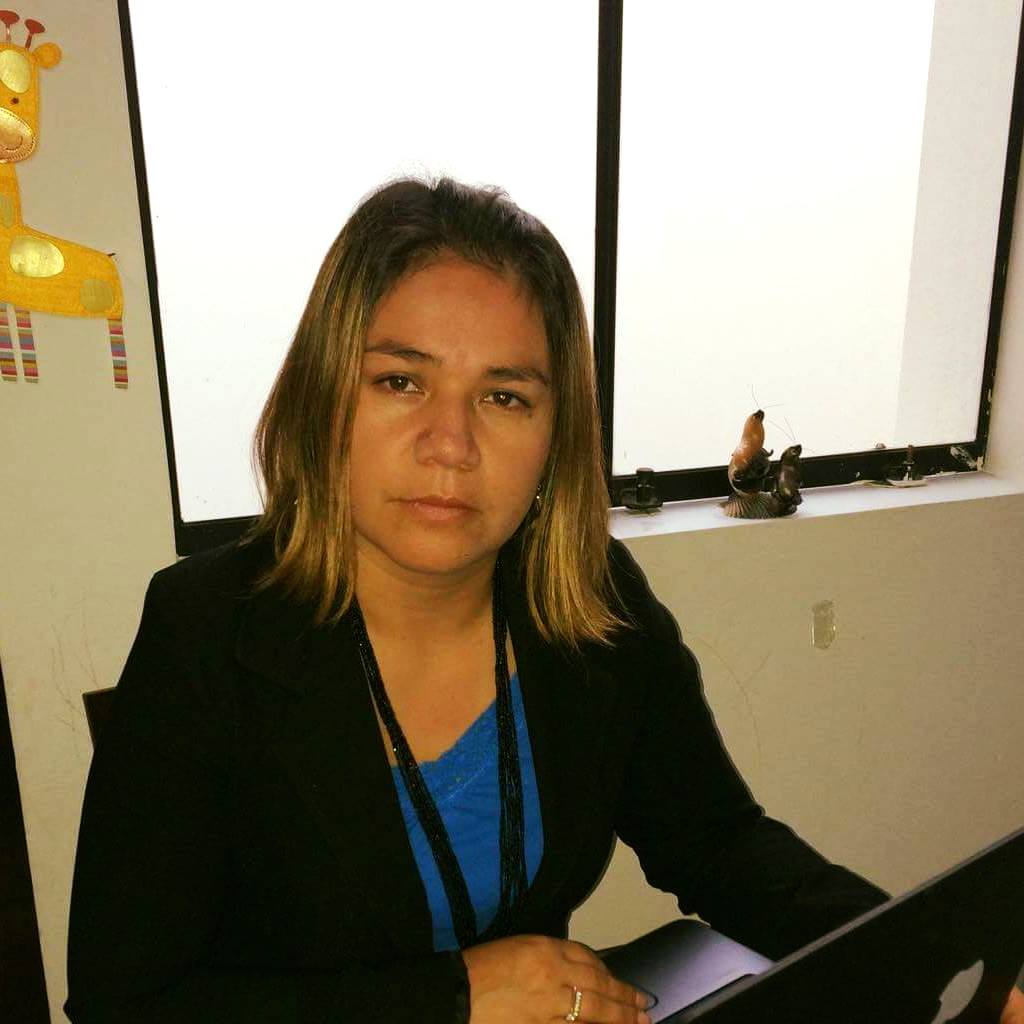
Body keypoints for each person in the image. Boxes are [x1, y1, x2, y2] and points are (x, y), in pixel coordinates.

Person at [64, 176, 1024, 1024]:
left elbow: (719, 845)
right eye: (400, 380)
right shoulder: (208, 630)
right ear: (323, 399)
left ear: (555, 435)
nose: (451, 445)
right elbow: (123, 1001)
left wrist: (930, 966)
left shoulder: (586, 599)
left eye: (505, 397)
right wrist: (451, 1002)